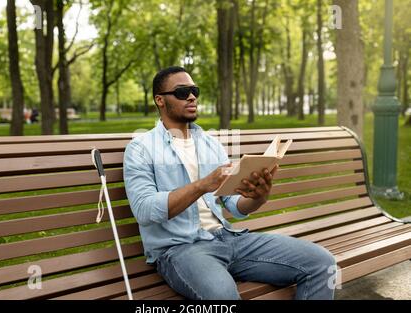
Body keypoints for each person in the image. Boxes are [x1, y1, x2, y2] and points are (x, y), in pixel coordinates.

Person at [123, 66, 337, 300]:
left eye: (194, 90)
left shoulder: (210, 144)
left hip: (230, 239)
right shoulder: (141, 149)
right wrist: (202, 185)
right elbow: (144, 210)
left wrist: (258, 197)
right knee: (222, 296)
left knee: (322, 264)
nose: (192, 96)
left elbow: (232, 203)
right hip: (182, 249)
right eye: (183, 92)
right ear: (160, 100)